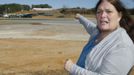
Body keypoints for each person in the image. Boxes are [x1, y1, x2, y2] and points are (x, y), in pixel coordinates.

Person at [64, 0, 134, 75]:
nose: (102, 15)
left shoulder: (122, 47)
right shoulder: (98, 32)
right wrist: (80, 17)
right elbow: (89, 25)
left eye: (109, 11)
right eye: (99, 12)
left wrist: (72, 68)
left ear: (119, 16)